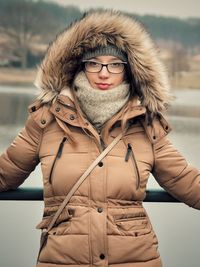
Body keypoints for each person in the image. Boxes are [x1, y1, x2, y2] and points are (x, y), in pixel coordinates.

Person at [0, 9, 200, 267]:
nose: (104, 73)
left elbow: (184, 179)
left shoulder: (145, 123)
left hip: (135, 259)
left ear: (128, 71)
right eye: (94, 63)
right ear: (78, 67)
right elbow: (6, 172)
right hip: (63, 259)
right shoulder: (47, 120)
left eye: (115, 64)